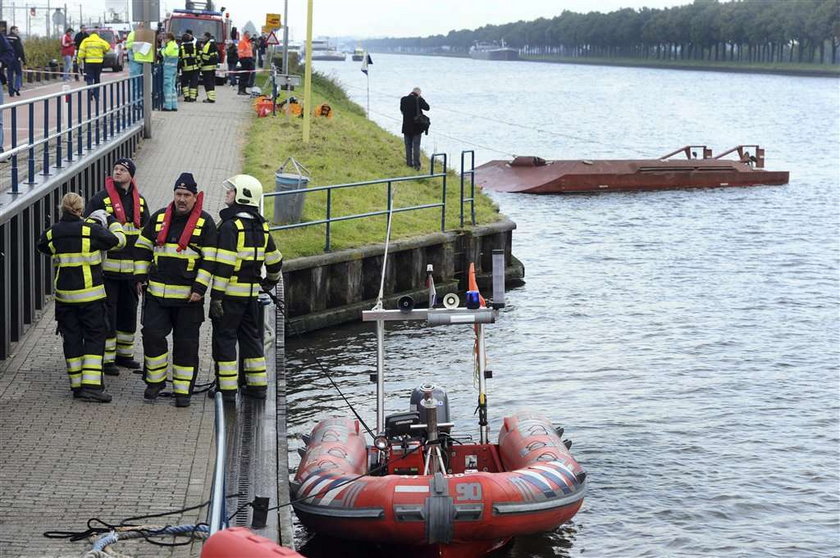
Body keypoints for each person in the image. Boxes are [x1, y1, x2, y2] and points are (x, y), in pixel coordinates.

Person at [135, 173, 218, 407]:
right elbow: (142, 247)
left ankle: (183, 392)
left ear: (195, 197)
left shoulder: (206, 223)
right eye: (178, 194)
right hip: (157, 297)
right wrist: (140, 276)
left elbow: (210, 260)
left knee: (186, 346)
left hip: (187, 300)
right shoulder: (160, 217)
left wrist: (200, 288)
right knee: (151, 336)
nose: (181, 199)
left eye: (186, 195)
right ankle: (154, 382)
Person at [37, 193, 126, 403]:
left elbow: (42, 246)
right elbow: (118, 242)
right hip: (91, 297)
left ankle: (77, 385)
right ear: (80, 209)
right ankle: (92, 386)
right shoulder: (90, 230)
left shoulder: (53, 233)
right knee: (95, 338)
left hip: (65, 298)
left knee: (72, 339)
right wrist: (112, 222)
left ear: (62, 209)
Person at [210, 175, 283, 402]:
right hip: (251, 297)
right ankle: (257, 387)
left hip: (230, 296)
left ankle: (227, 390)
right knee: (252, 340)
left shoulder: (231, 227)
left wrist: (216, 298)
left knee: (225, 340)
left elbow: (223, 266)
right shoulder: (261, 226)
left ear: (242, 195)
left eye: (231, 191)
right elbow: (275, 260)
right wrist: (271, 281)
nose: (227, 194)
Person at [85, 158, 149, 374]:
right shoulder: (99, 200)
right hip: (108, 272)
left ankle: (125, 355)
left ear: (131, 175)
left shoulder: (139, 201)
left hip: (131, 273)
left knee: (128, 313)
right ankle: (107, 359)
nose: (118, 172)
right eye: (116, 169)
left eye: (123, 170)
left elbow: (147, 237)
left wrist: (144, 273)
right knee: (108, 315)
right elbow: (89, 231)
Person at [400, 87, 430, 170]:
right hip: (417, 127)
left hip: (406, 126)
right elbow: (427, 107)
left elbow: (402, 110)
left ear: (411, 92)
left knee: (408, 146)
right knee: (416, 146)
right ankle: (417, 165)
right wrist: (420, 98)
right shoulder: (419, 99)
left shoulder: (403, 99)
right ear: (419, 93)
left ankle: (409, 163)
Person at [77, 29, 111, 101]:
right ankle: (96, 95)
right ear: (97, 34)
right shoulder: (100, 41)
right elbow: (108, 47)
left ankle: (90, 92)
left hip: (89, 62)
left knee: (89, 78)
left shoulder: (86, 41)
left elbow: (81, 52)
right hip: (98, 63)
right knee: (97, 79)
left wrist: (78, 61)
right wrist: (103, 51)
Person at [198, 32, 219, 103]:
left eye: (203, 37)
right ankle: (211, 97)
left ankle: (210, 98)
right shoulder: (213, 44)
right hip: (212, 67)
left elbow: (205, 57)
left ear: (207, 37)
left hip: (207, 67)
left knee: (208, 83)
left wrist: (200, 53)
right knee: (211, 83)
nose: (202, 38)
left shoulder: (207, 45)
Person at [161, 32, 179, 111]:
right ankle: (174, 105)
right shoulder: (175, 45)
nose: (164, 40)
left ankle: (168, 106)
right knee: (172, 87)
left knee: (167, 87)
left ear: (169, 38)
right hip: (174, 68)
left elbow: (165, 54)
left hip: (168, 69)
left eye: (165, 38)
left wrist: (162, 48)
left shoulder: (170, 45)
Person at [179, 32, 199, 102]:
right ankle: (193, 98)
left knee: (185, 83)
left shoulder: (181, 48)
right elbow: (198, 57)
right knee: (194, 83)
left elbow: (179, 58)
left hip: (185, 68)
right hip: (195, 68)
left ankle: (186, 97)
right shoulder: (194, 46)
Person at [6, 26, 24, 96]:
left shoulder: (6, 37)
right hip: (16, 59)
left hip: (8, 59)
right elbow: (20, 49)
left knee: (10, 75)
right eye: (16, 30)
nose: (17, 31)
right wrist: (23, 59)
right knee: (18, 74)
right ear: (12, 30)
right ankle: (17, 87)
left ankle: (11, 92)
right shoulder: (17, 38)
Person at [236, 31, 254, 96]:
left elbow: (249, 52)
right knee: (243, 76)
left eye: (249, 35)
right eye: (248, 35)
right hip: (244, 60)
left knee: (247, 76)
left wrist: (251, 59)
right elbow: (240, 52)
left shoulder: (248, 42)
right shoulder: (242, 42)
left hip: (249, 59)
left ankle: (244, 90)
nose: (249, 36)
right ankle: (240, 90)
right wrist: (243, 60)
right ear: (245, 35)